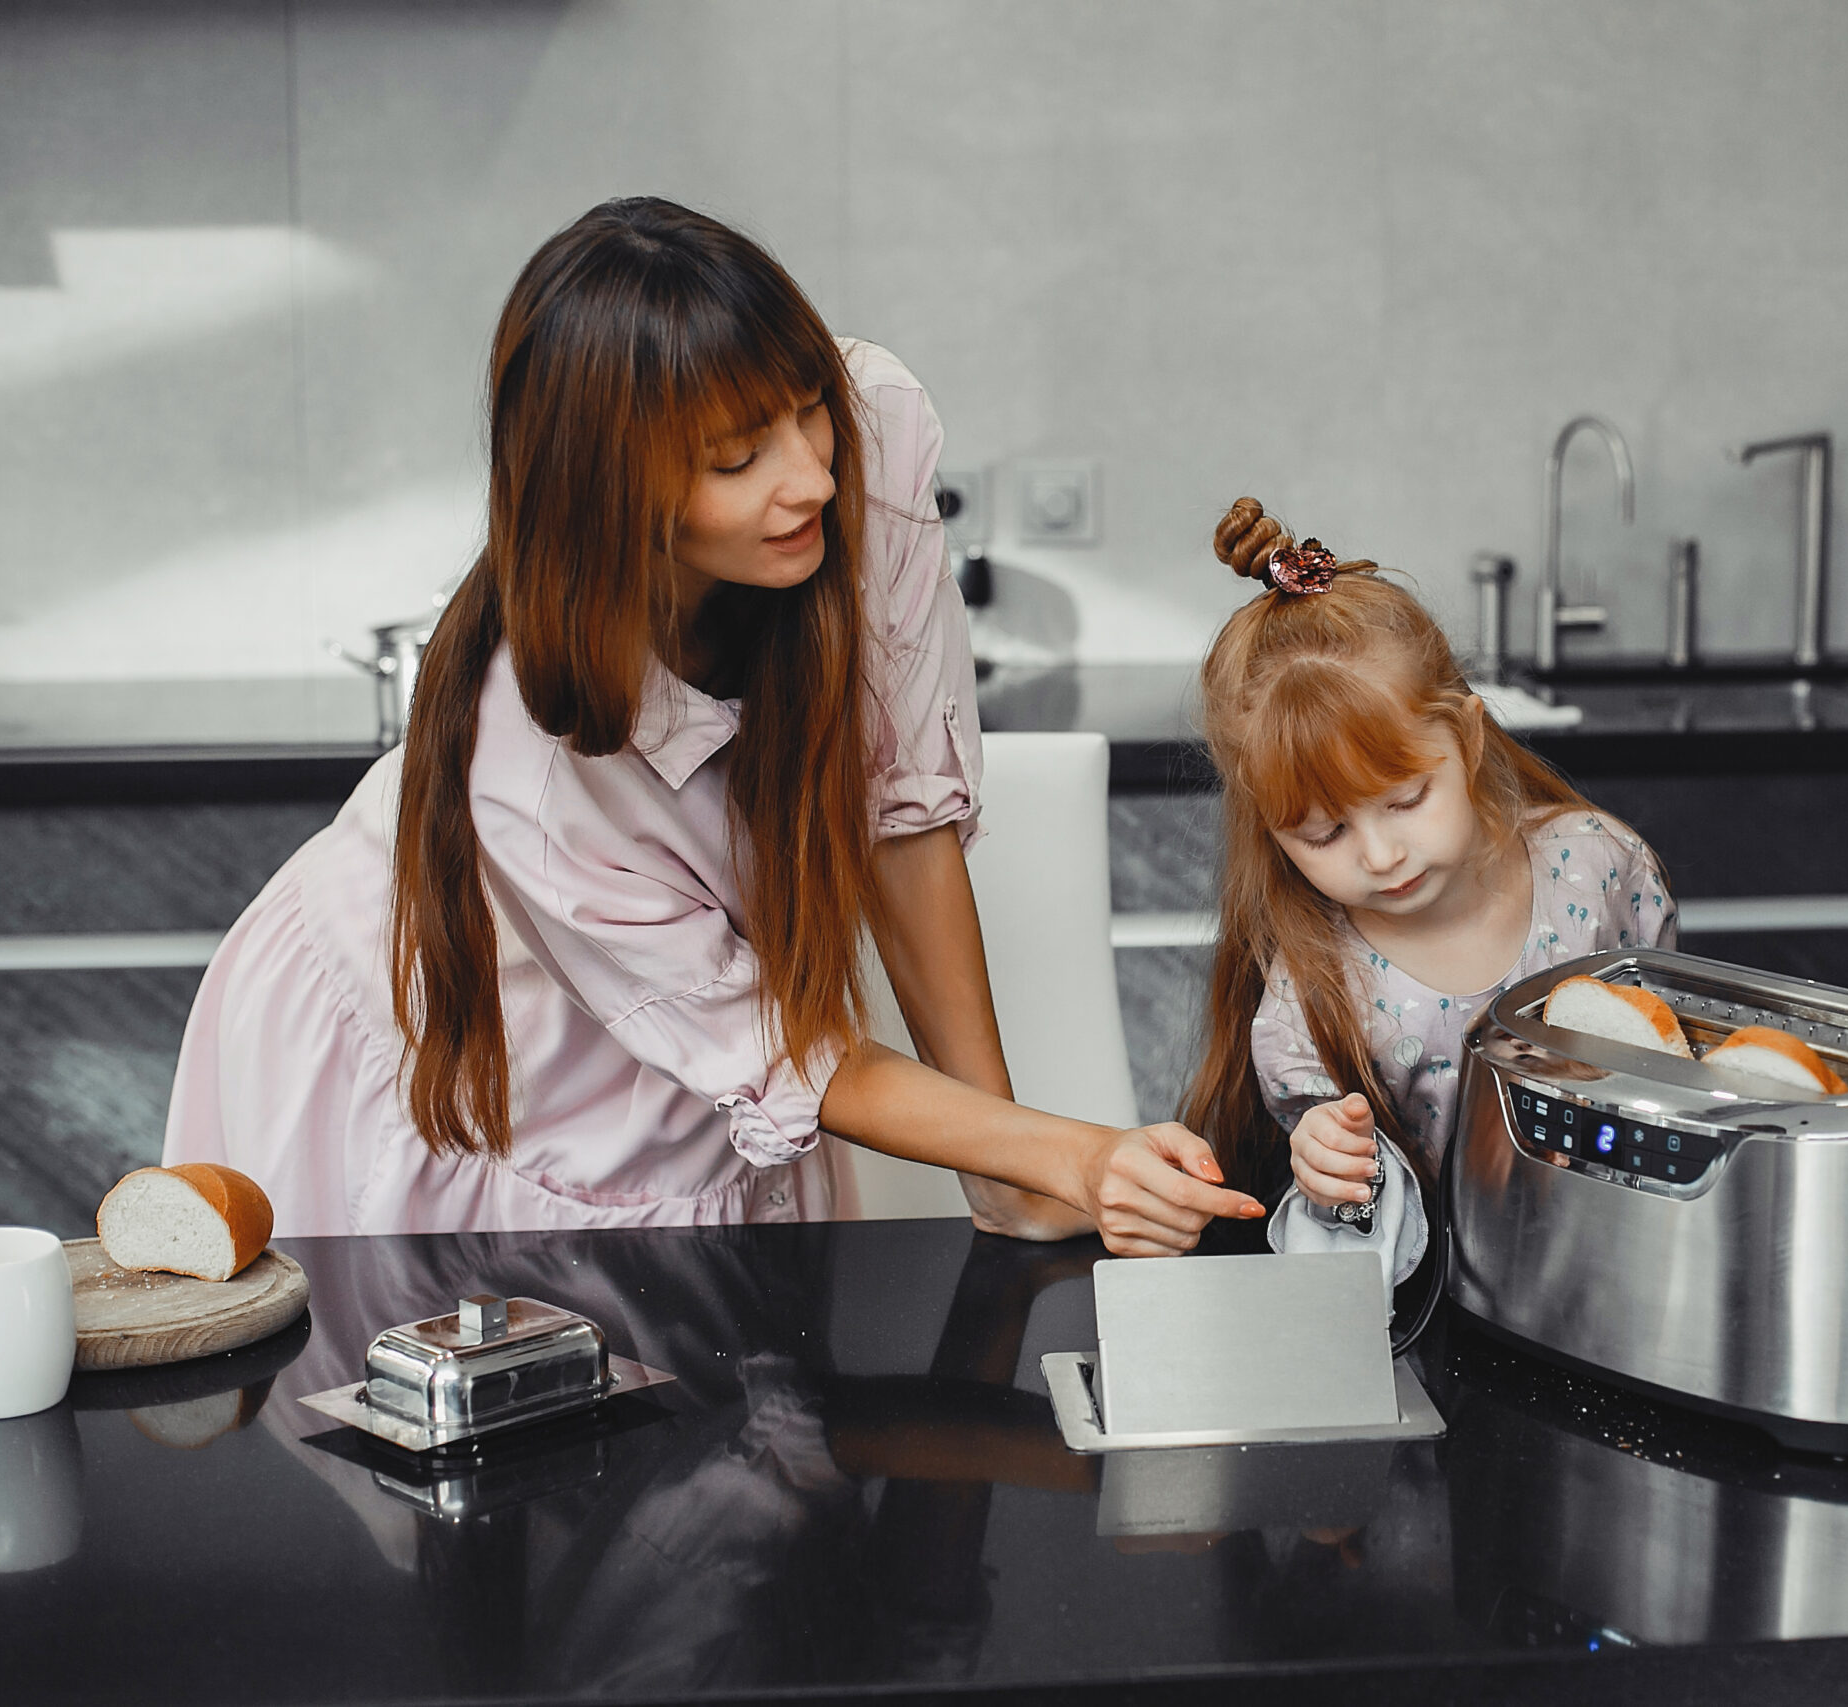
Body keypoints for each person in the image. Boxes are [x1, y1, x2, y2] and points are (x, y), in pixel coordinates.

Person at [163, 198, 1261, 1255]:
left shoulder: (868, 432)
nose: (811, 479)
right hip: (437, 1030)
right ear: (609, 497)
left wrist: (1009, 1177)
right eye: (735, 460)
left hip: (677, 1014)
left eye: (805, 409)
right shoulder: (530, 767)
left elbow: (900, 812)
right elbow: (775, 1052)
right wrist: (1074, 1157)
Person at [1182, 498, 1677, 1282]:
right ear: (1272, 835)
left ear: (1469, 738)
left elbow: (1674, 1055)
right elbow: (1349, 1219)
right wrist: (1328, 1164)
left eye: (1407, 799)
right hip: (1440, 1316)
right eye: (1323, 834)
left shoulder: (1598, 869)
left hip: (1618, 1279)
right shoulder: (1312, 987)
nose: (1380, 855)